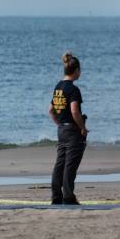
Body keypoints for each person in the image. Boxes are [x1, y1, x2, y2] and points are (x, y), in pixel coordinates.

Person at [48, 52, 88, 205]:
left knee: (60, 164)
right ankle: (69, 197)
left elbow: (50, 110)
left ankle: (56, 196)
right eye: (80, 70)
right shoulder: (73, 89)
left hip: (61, 130)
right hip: (72, 131)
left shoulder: (58, 87)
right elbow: (74, 111)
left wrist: (59, 124)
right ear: (76, 70)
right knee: (70, 165)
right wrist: (82, 128)